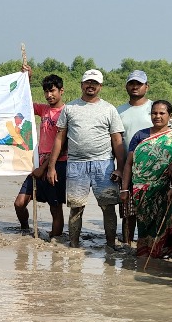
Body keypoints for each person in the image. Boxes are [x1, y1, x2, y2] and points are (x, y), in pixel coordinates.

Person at [46, 69, 125, 250]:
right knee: (76, 207)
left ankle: (111, 245)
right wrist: (51, 167)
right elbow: (59, 138)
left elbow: (117, 140)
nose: (91, 86)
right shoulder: (70, 108)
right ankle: (74, 246)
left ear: (100, 87)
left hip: (104, 164)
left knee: (108, 207)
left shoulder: (109, 109)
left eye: (95, 83)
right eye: (88, 82)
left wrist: (119, 168)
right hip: (76, 165)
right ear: (82, 85)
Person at [120, 100, 172, 256]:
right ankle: (145, 251)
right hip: (142, 190)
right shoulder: (140, 135)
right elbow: (129, 163)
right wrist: (125, 188)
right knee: (144, 222)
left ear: (170, 116)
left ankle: (164, 251)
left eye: (161, 113)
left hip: (166, 189)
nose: (157, 116)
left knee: (165, 221)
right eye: (154, 113)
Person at [14, 72, 68, 238]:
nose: (49, 95)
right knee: (19, 203)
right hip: (38, 162)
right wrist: (26, 79)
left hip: (57, 165)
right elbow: (24, 104)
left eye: (52, 91)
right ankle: (24, 229)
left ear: (61, 91)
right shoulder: (44, 110)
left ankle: (55, 242)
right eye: (46, 92)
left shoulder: (66, 113)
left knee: (55, 207)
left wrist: (45, 167)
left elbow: (64, 145)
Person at [116, 70, 154, 243]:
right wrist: (118, 168)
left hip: (152, 168)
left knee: (150, 210)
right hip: (127, 167)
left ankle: (148, 245)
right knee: (127, 210)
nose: (135, 87)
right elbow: (115, 142)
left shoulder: (155, 109)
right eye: (132, 83)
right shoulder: (119, 111)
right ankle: (127, 244)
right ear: (126, 86)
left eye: (139, 84)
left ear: (147, 86)